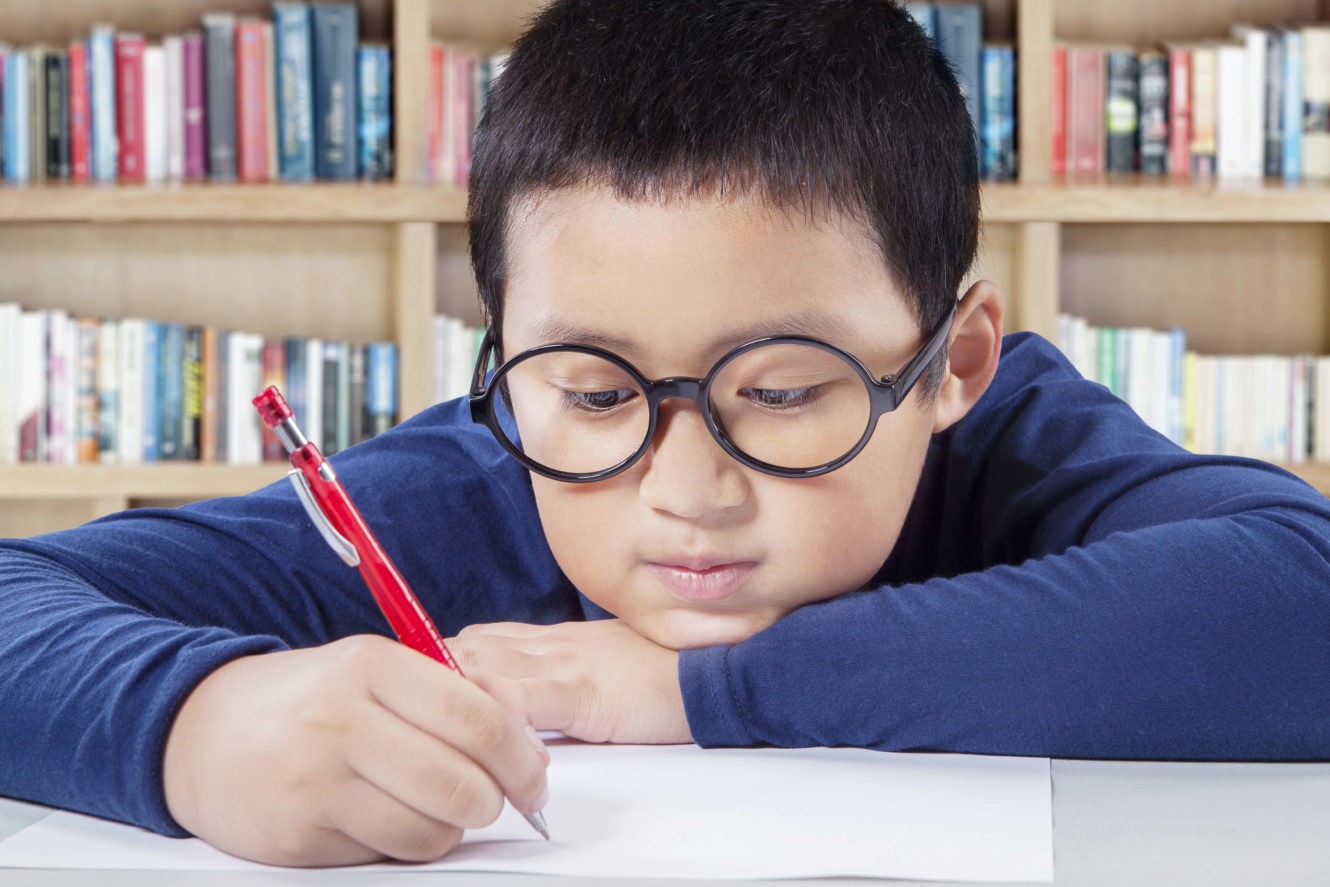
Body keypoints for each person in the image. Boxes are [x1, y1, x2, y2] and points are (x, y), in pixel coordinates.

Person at [4, 0, 1330, 869]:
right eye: (591, 393)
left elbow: (1299, 602)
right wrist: (194, 728)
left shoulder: (1017, 444)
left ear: (953, 362)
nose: (686, 491)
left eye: (784, 390)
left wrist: (690, 692)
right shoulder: (467, 487)